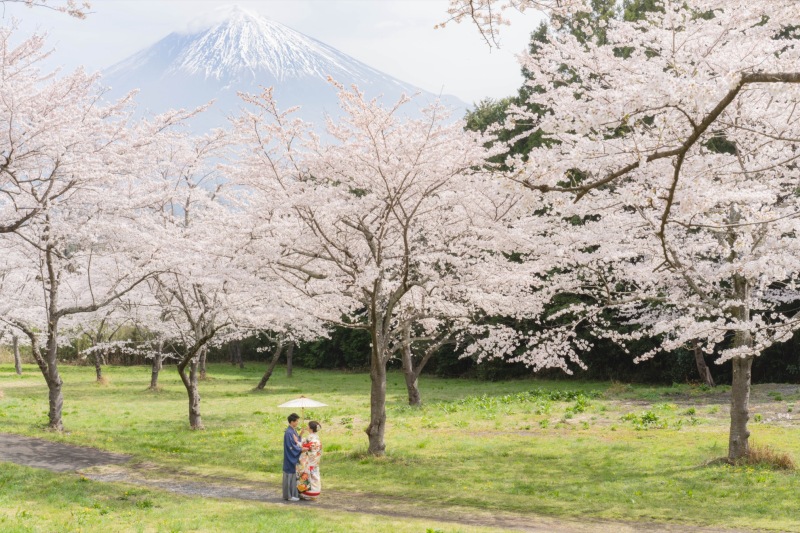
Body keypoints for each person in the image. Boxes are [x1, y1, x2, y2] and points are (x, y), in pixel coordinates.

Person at [296, 420, 322, 500]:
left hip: (309, 461)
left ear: (310, 428)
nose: (307, 426)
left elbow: (302, 445)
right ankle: (315, 492)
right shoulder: (316, 438)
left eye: (308, 425)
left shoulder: (310, 438)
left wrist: (296, 441)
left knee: (305, 474)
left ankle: (307, 493)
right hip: (315, 460)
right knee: (315, 476)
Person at [282, 413, 303, 501]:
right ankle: (289, 496)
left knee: (293, 476)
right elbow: (291, 446)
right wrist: (300, 450)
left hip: (292, 456)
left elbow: (296, 441)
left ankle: (293, 494)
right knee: (289, 475)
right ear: (292, 422)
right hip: (290, 456)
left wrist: (300, 435)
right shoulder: (288, 432)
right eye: (296, 421)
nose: (297, 422)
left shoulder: (292, 431)